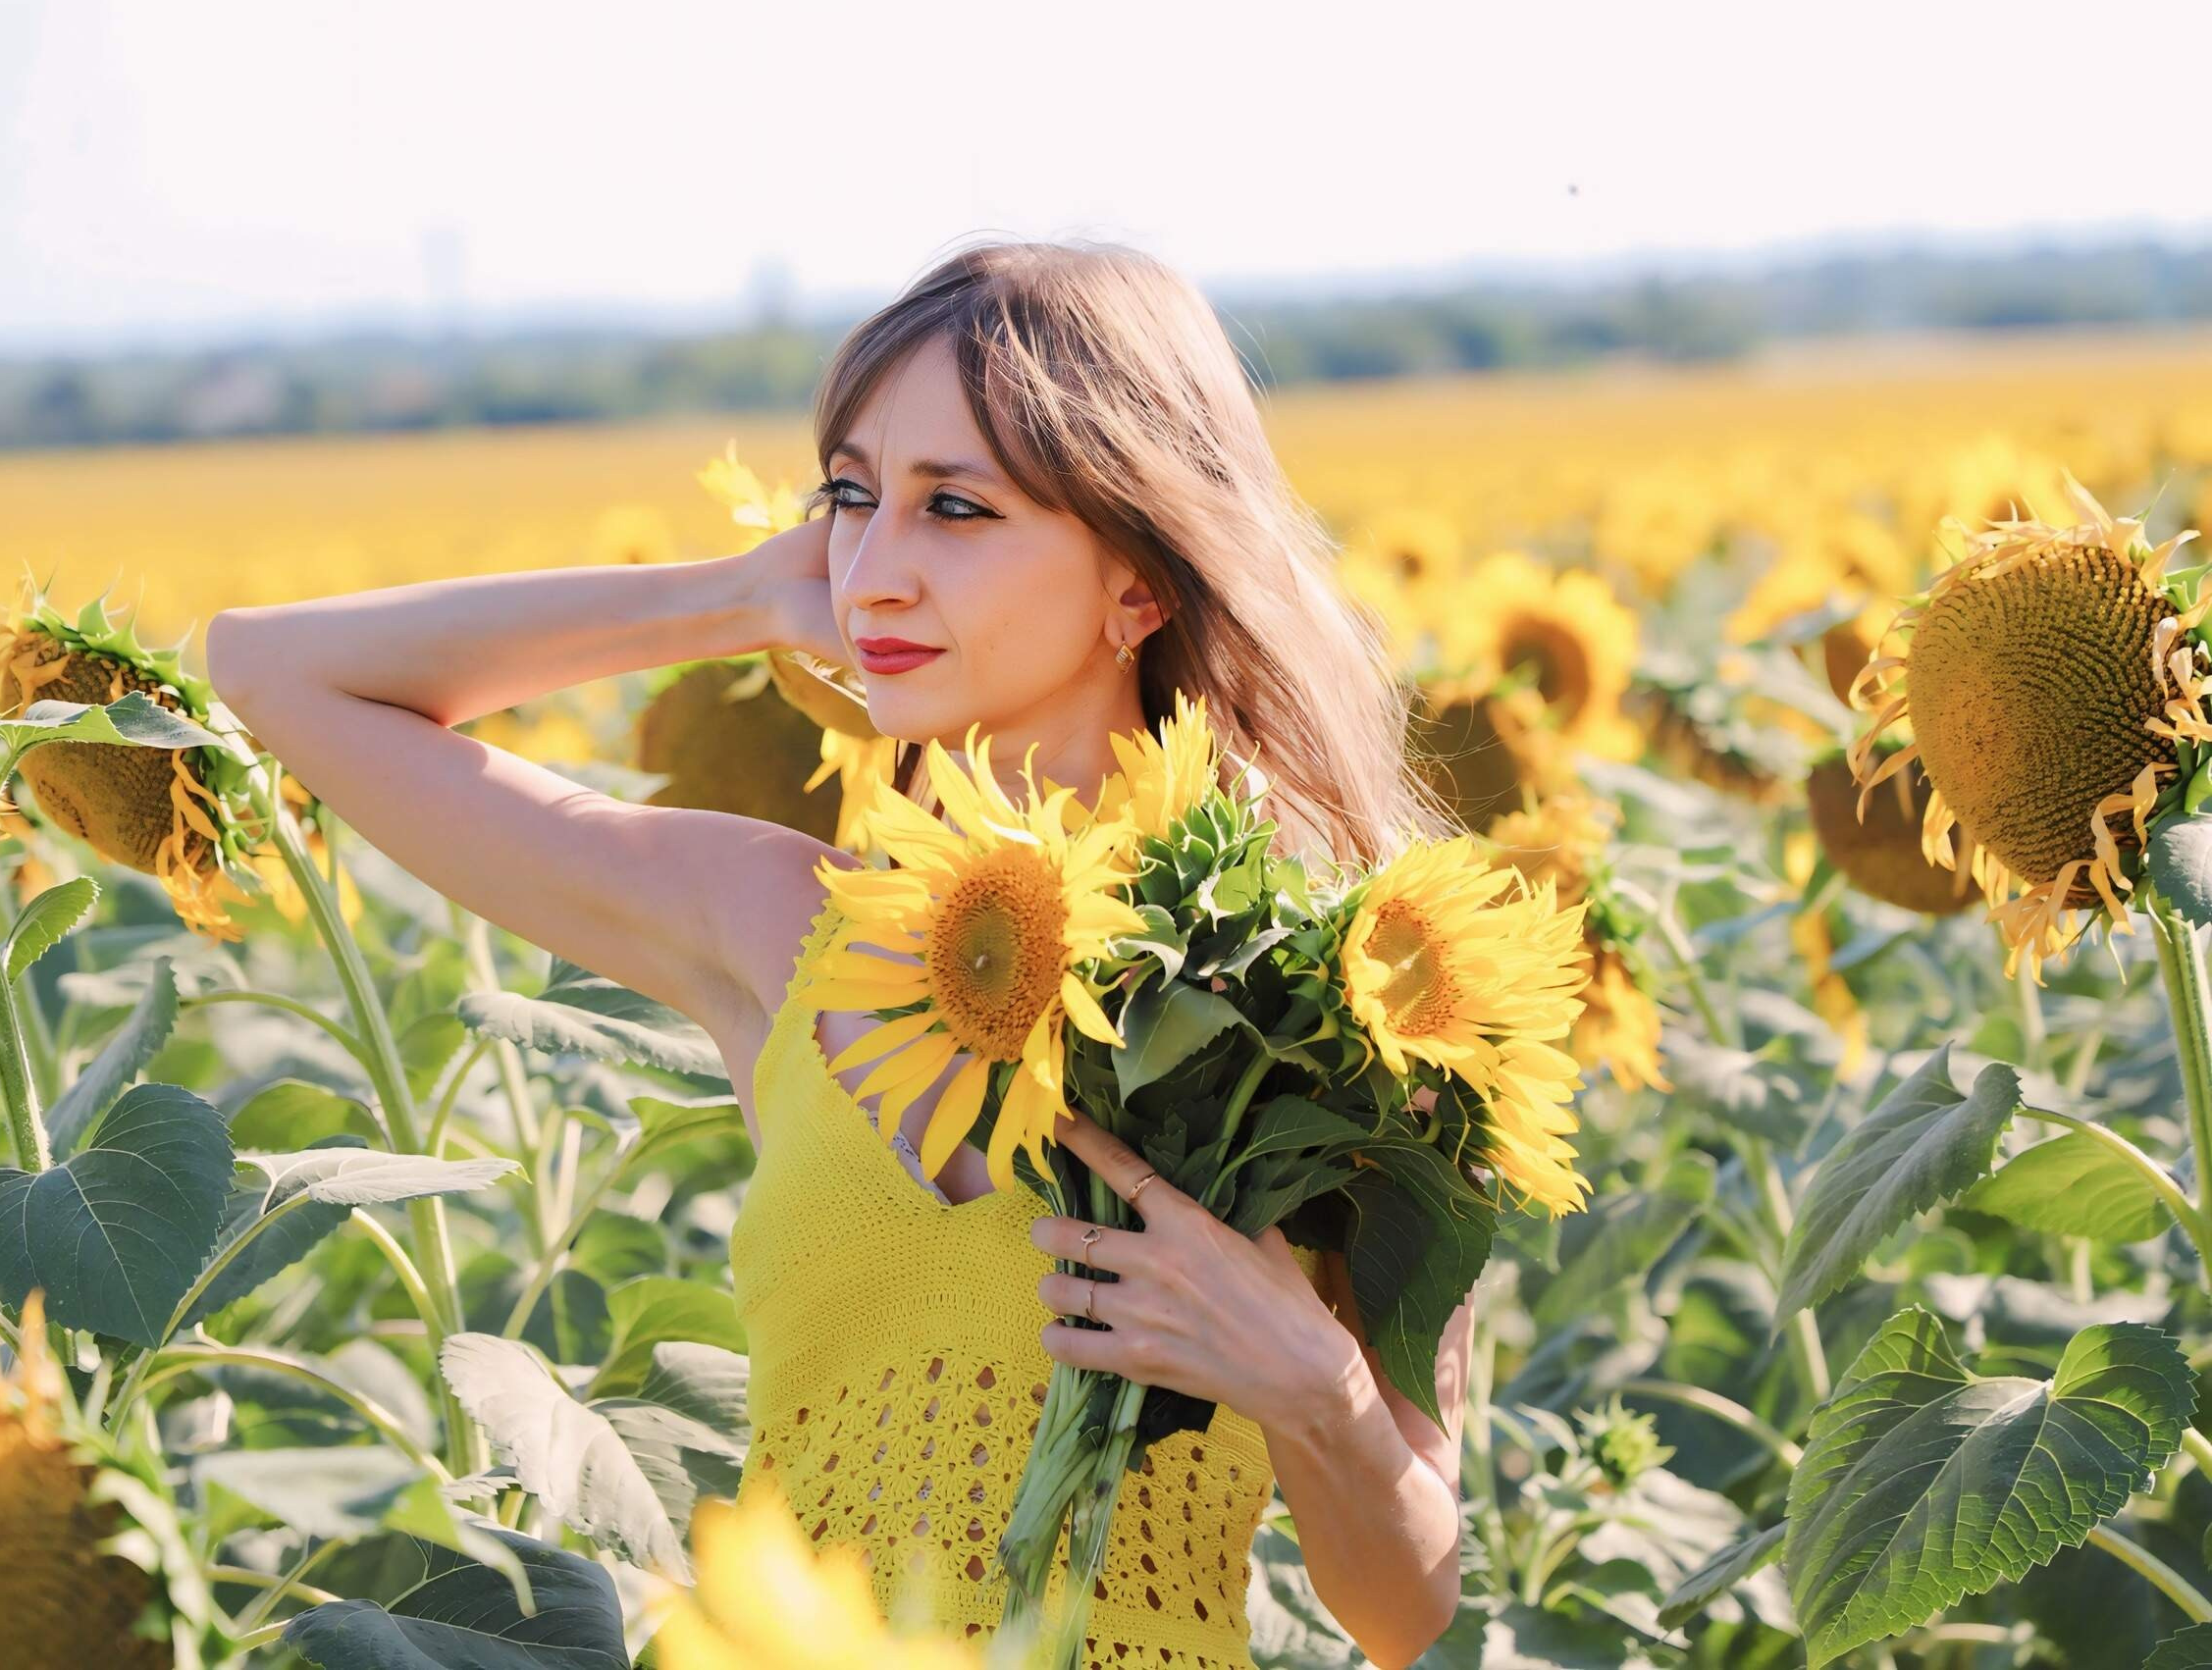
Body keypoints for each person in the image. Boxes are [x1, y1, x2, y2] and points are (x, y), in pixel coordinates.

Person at [206, 235, 1472, 1668]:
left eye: (956, 507)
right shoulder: (784, 929)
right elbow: (269, 670)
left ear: (1139, 581)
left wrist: (1318, 1394)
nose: (872, 570)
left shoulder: (1333, 1003)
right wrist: (742, 597)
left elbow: (1407, 1610)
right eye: (853, 499)